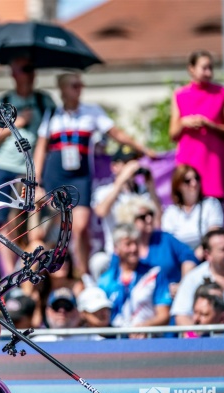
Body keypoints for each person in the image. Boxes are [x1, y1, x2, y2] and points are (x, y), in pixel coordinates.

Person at [34, 72, 154, 276]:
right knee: (53, 229)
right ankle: (52, 275)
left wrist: (142, 148)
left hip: (80, 175)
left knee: (80, 226)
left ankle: (84, 273)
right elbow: (41, 148)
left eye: (80, 85)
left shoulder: (92, 111)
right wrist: (36, 182)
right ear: (62, 89)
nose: (79, 89)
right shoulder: (52, 113)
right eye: (74, 85)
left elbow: (116, 134)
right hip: (55, 174)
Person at [0, 56, 56, 276]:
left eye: (32, 69)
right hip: (4, 169)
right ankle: (8, 275)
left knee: (31, 224)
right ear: (13, 73)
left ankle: (27, 271)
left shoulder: (45, 102)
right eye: (25, 69)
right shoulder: (3, 101)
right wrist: (17, 122)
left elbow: (52, 136)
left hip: (32, 171)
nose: (30, 74)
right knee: (6, 225)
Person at [170, 50, 224, 200]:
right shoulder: (180, 94)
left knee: (214, 204)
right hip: (189, 160)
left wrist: (210, 125)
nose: (208, 72)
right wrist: (183, 122)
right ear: (191, 69)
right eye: (204, 68)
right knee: (188, 200)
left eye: (211, 68)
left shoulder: (221, 93)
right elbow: (172, 134)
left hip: (213, 162)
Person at [98, 224, 172, 330]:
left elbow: (164, 315)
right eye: (128, 244)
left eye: (136, 243)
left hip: (148, 340)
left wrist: (144, 327)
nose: (134, 248)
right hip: (115, 341)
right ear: (116, 249)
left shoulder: (154, 274)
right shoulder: (105, 280)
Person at [92, 145, 163, 255]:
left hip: (143, 250)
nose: (132, 167)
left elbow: (158, 218)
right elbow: (101, 211)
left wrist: (151, 187)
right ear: (114, 167)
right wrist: (121, 180)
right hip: (116, 251)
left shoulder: (143, 189)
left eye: (134, 161)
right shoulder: (105, 191)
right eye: (126, 163)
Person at [115, 196, 197, 289]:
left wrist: (183, 286)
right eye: (143, 217)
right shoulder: (123, 249)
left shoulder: (164, 239)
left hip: (172, 297)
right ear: (130, 221)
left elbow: (189, 256)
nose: (149, 219)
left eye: (151, 214)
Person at [171, 228, 224, 325]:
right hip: (205, 339)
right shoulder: (193, 278)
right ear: (208, 255)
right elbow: (181, 315)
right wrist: (194, 337)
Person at [161, 165, 224, 254]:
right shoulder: (170, 212)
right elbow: (168, 242)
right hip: (180, 259)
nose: (194, 183)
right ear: (178, 186)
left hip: (206, 255)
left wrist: (198, 253)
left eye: (196, 178)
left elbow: (214, 234)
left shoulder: (211, 204)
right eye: (188, 181)